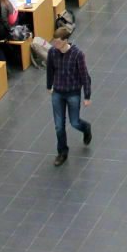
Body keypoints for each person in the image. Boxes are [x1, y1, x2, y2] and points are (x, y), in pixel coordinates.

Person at [46, 26, 93, 167]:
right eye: (54, 42)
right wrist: (49, 86)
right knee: (59, 126)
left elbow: (85, 75)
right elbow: (50, 69)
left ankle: (86, 128)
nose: (55, 45)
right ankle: (62, 152)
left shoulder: (77, 54)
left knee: (74, 122)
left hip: (73, 92)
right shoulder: (52, 52)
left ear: (66, 41)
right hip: (58, 92)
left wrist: (87, 95)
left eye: (58, 43)